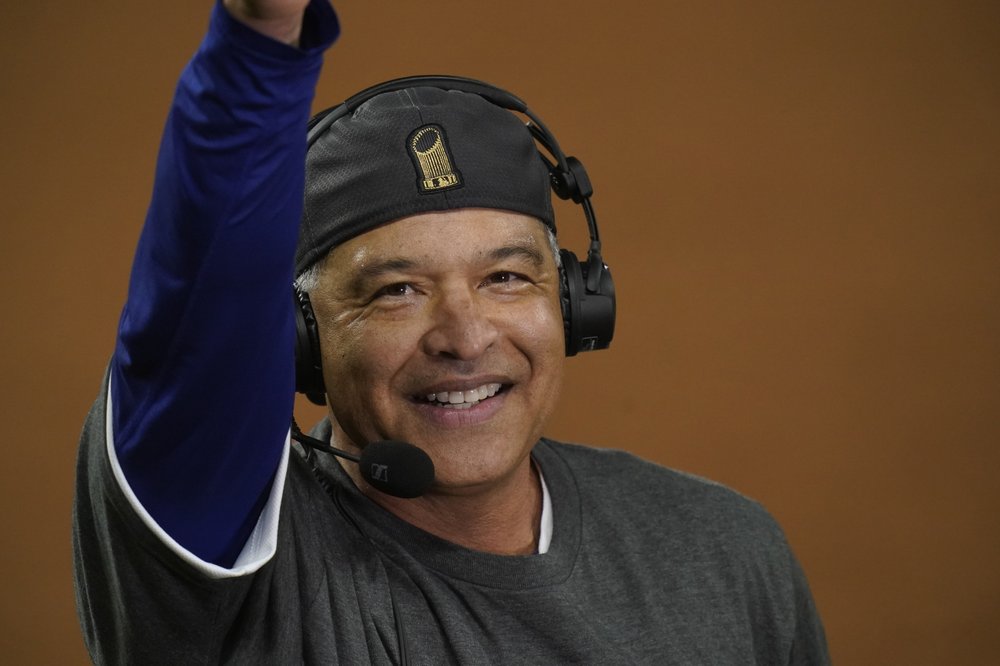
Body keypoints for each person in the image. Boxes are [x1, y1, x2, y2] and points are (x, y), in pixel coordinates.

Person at [72, 0, 830, 663]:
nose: (465, 338)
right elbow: (205, 299)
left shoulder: (724, 551)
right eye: (396, 291)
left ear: (572, 301)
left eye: (507, 278)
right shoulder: (226, 557)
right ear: (301, 339)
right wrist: (262, 37)